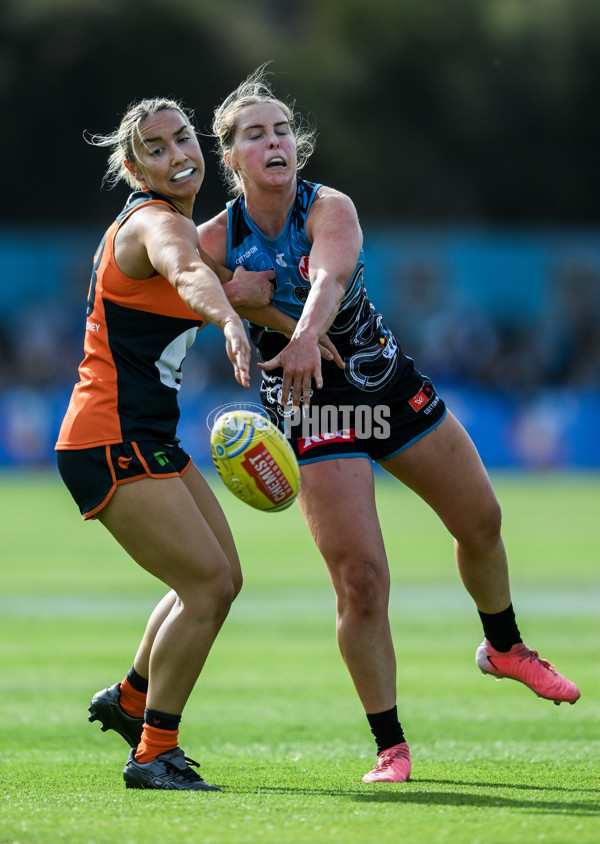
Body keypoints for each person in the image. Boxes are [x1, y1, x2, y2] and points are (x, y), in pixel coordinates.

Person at [196, 66, 581, 784]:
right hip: (315, 409)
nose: (274, 139)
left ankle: (504, 648)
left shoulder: (330, 206)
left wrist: (288, 322)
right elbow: (184, 289)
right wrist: (234, 305)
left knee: (483, 522)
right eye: (256, 133)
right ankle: (391, 746)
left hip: (383, 383)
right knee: (363, 581)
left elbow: (329, 281)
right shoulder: (215, 239)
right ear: (233, 158)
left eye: (282, 128)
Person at [55, 97, 275, 791]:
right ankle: (153, 753)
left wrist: (271, 316)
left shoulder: (174, 222)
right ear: (132, 167)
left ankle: (128, 699)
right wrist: (231, 318)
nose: (179, 154)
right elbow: (186, 273)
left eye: (184, 139)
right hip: (108, 438)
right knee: (204, 586)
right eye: (157, 147)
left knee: (222, 582)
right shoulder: (154, 223)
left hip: (144, 436)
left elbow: (211, 280)